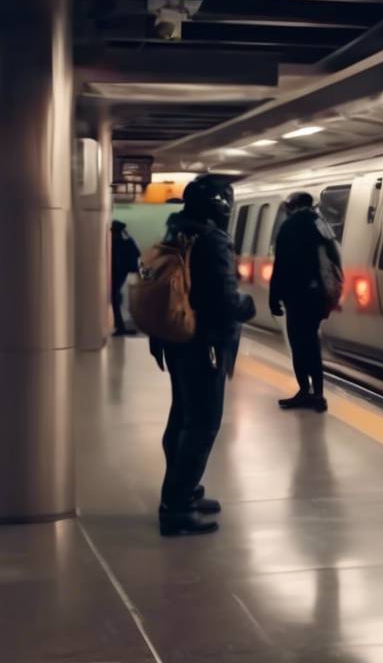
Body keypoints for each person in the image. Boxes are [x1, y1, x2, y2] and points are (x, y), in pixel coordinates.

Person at [148, 176, 255, 537]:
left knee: (182, 416)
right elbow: (224, 301)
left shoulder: (177, 229)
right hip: (204, 343)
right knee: (203, 423)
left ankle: (183, 492)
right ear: (220, 205)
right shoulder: (212, 239)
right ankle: (177, 509)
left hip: (178, 339)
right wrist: (246, 305)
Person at [269, 191, 341, 412]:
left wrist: (274, 297)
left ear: (293, 206)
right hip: (319, 296)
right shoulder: (322, 225)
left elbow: (281, 266)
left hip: (297, 296)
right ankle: (317, 393)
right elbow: (335, 260)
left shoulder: (290, 228)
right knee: (312, 343)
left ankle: (304, 391)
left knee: (299, 344)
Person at [110, 220, 141, 335]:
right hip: (122, 272)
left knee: (115, 298)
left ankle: (120, 327)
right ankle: (120, 326)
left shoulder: (119, 242)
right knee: (116, 298)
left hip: (118, 272)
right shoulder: (127, 240)